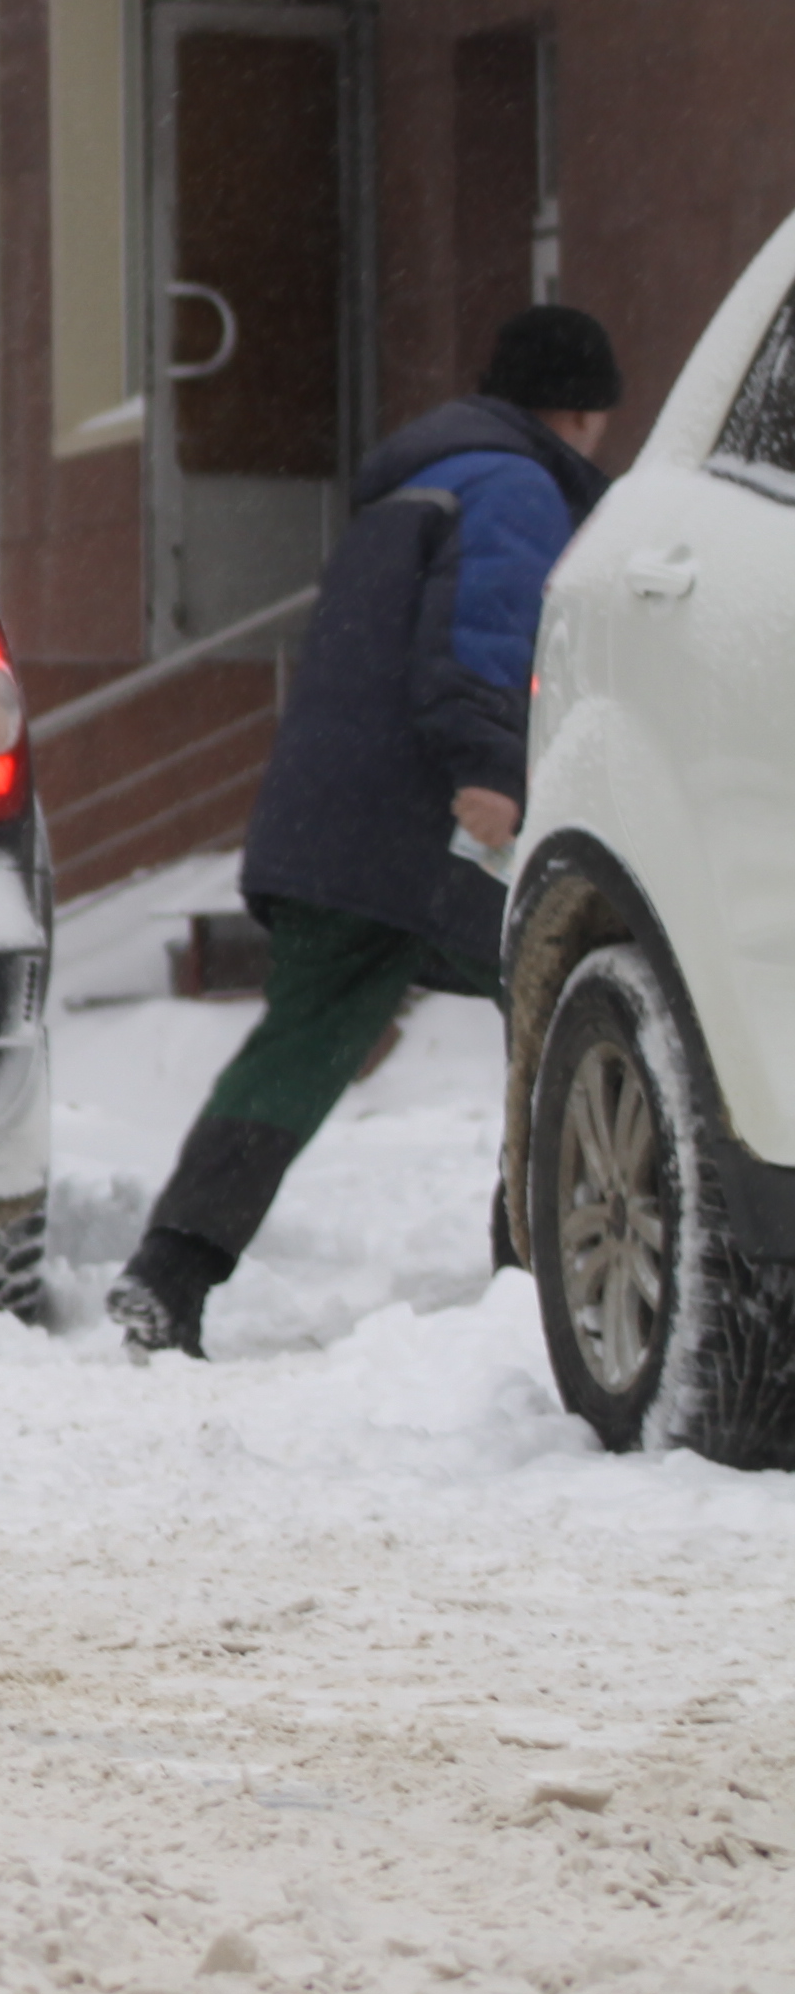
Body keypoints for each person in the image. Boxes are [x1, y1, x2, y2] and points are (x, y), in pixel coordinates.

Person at [105, 304, 621, 1357]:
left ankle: (172, 1270)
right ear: (578, 412)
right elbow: (483, 635)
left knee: (298, 1047)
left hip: (333, 821)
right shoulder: (516, 487)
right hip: (423, 821)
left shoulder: (419, 484)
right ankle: (530, 1272)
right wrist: (488, 770)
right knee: (570, 989)